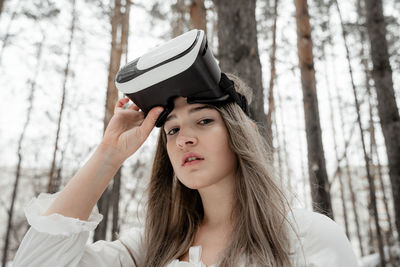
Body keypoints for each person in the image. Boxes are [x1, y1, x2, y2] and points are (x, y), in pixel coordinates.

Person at [12, 72, 359, 267]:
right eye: (173, 130)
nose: (183, 140)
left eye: (204, 121)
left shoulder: (304, 236)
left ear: (244, 133)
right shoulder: (150, 248)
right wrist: (108, 155)